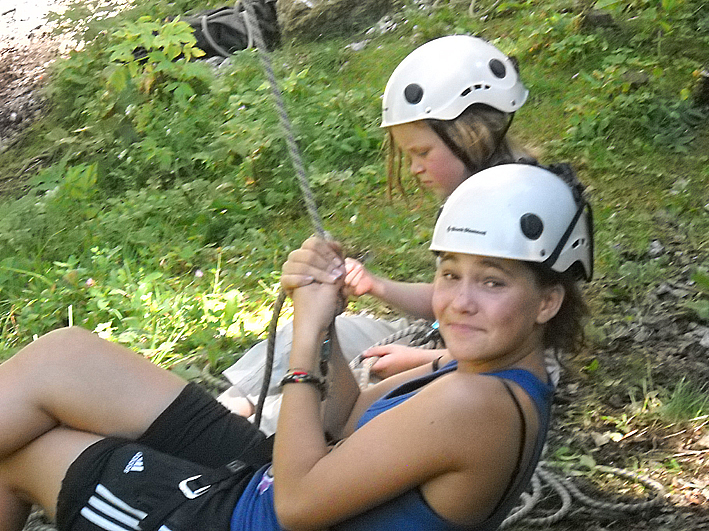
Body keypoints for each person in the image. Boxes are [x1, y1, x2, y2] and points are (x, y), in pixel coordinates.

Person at [0, 163, 592, 531]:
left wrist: (305, 338)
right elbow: (343, 417)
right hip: (267, 482)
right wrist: (328, 321)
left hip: (252, 514)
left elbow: (298, 504)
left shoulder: (476, 405)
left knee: (23, 457)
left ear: (547, 301)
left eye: (492, 282)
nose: (459, 301)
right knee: (65, 357)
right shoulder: (480, 372)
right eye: (450, 273)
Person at [219, 34, 538, 426]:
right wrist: (376, 286)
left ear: (471, 136)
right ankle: (226, 411)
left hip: (473, 365)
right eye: (408, 155)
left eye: (422, 153)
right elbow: (448, 299)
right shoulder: (470, 196)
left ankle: (250, 428)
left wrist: (428, 360)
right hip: (441, 338)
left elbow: (526, 340)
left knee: (333, 393)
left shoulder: (523, 211)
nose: (414, 168)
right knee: (302, 335)